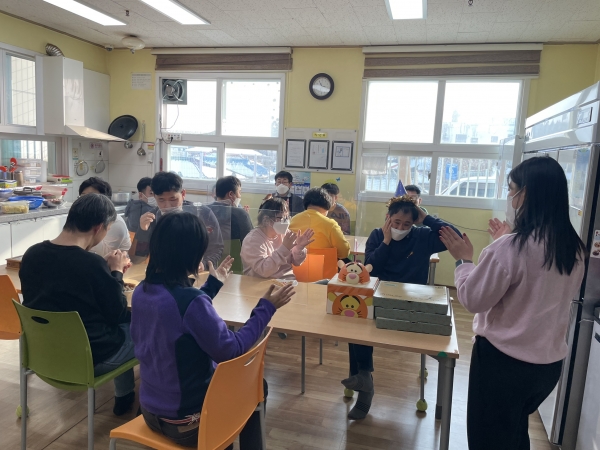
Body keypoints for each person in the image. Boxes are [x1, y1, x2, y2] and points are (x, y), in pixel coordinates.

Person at [439, 157, 586, 450]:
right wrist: (503, 242)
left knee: (488, 441)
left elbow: (473, 299)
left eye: (511, 188)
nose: (509, 196)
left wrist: (464, 261)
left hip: (503, 365)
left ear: (526, 193)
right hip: (547, 366)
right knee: (515, 432)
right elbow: (538, 287)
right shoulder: (574, 248)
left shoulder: (511, 247)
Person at [131, 211, 295, 448]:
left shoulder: (142, 291)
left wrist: (212, 285)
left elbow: (180, 314)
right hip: (187, 424)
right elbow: (232, 350)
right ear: (193, 254)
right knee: (259, 385)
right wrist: (266, 308)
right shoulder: (191, 302)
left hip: (149, 411)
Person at [342, 195, 460, 420]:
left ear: (414, 223)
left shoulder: (422, 236)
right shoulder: (377, 235)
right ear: (387, 218)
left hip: (412, 303)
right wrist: (386, 242)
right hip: (381, 298)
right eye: (396, 222)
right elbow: (371, 269)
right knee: (356, 324)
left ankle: (364, 380)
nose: (401, 228)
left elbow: (453, 235)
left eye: (407, 224)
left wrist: (427, 219)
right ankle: (365, 379)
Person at [19, 194, 136, 415]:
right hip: (91, 359)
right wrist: (116, 273)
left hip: (43, 356)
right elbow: (118, 314)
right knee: (147, 327)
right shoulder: (91, 264)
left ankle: (125, 395)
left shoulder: (32, 255)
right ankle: (140, 402)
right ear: (99, 228)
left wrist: (106, 273)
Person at [132, 172, 224, 269]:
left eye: (173, 199)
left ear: (183, 194)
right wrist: (143, 231)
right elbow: (138, 258)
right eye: (161, 200)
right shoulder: (151, 218)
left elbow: (216, 248)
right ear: (154, 197)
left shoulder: (202, 213)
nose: (167, 206)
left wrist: (203, 264)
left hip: (194, 271)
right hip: (163, 272)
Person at [241, 197, 314, 280]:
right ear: (266, 220)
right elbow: (264, 270)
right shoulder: (252, 240)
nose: (286, 222)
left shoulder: (284, 233)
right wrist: (284, 248)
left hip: (287, 282)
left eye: (287, 218)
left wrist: (299, 247)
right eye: (281, 218)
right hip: (261, 283)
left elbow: (297, 262)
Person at [289, 187, 350, 260]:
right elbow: (344, 252)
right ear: (328, 205)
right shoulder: (331, 224)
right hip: (325, 266)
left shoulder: (293, 220)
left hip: (295, 266)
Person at [79, 177, 131, 256]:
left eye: (92, 197)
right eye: (83, 197)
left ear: (105, 200)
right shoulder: (87, 217)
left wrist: (81, 234)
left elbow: (106, 254)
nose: (86, 201)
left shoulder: (115, 222)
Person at [207, 176, 253, 243]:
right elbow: (250, 240)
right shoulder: (240, 213)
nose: (240, 196)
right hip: (234, 249)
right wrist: (244, 215)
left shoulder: (206, 210)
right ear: (231, 194)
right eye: (239, 192)